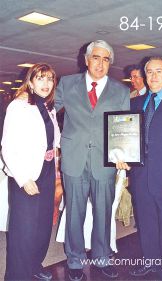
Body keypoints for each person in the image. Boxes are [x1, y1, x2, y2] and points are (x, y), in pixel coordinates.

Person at [55, 40, 130, 281]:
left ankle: (102, 258)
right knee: (74, 213)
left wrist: (124, 154)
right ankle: (74, 260)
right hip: (74, 158)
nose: (100, 63)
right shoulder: (67, 84)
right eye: (96, 57)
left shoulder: (121, 90)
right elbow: (46, 113)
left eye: (106, 59)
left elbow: (125, 127)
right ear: (86, 60)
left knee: (103, 212)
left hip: (105, 161)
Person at [117, 56, 162, 280]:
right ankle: (150, 262)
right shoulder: (136, 103)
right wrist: (122, 156)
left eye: (159, 72)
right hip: (140, 176)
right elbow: (126, 138)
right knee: (146, 223)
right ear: (145, 76)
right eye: (149, 72)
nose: (153, 76)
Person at [1, 63, 60, 281]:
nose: (46, 83)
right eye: (41, 78)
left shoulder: (49, 106)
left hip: (46, 170)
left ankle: (35, 265)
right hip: (26, 173)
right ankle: (17, 276)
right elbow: (7, 147)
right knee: (23, 230)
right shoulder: (19, 106)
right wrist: (23, 178)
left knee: (43, 225)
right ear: (31, 81)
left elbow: (54, 139)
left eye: (50, 79)